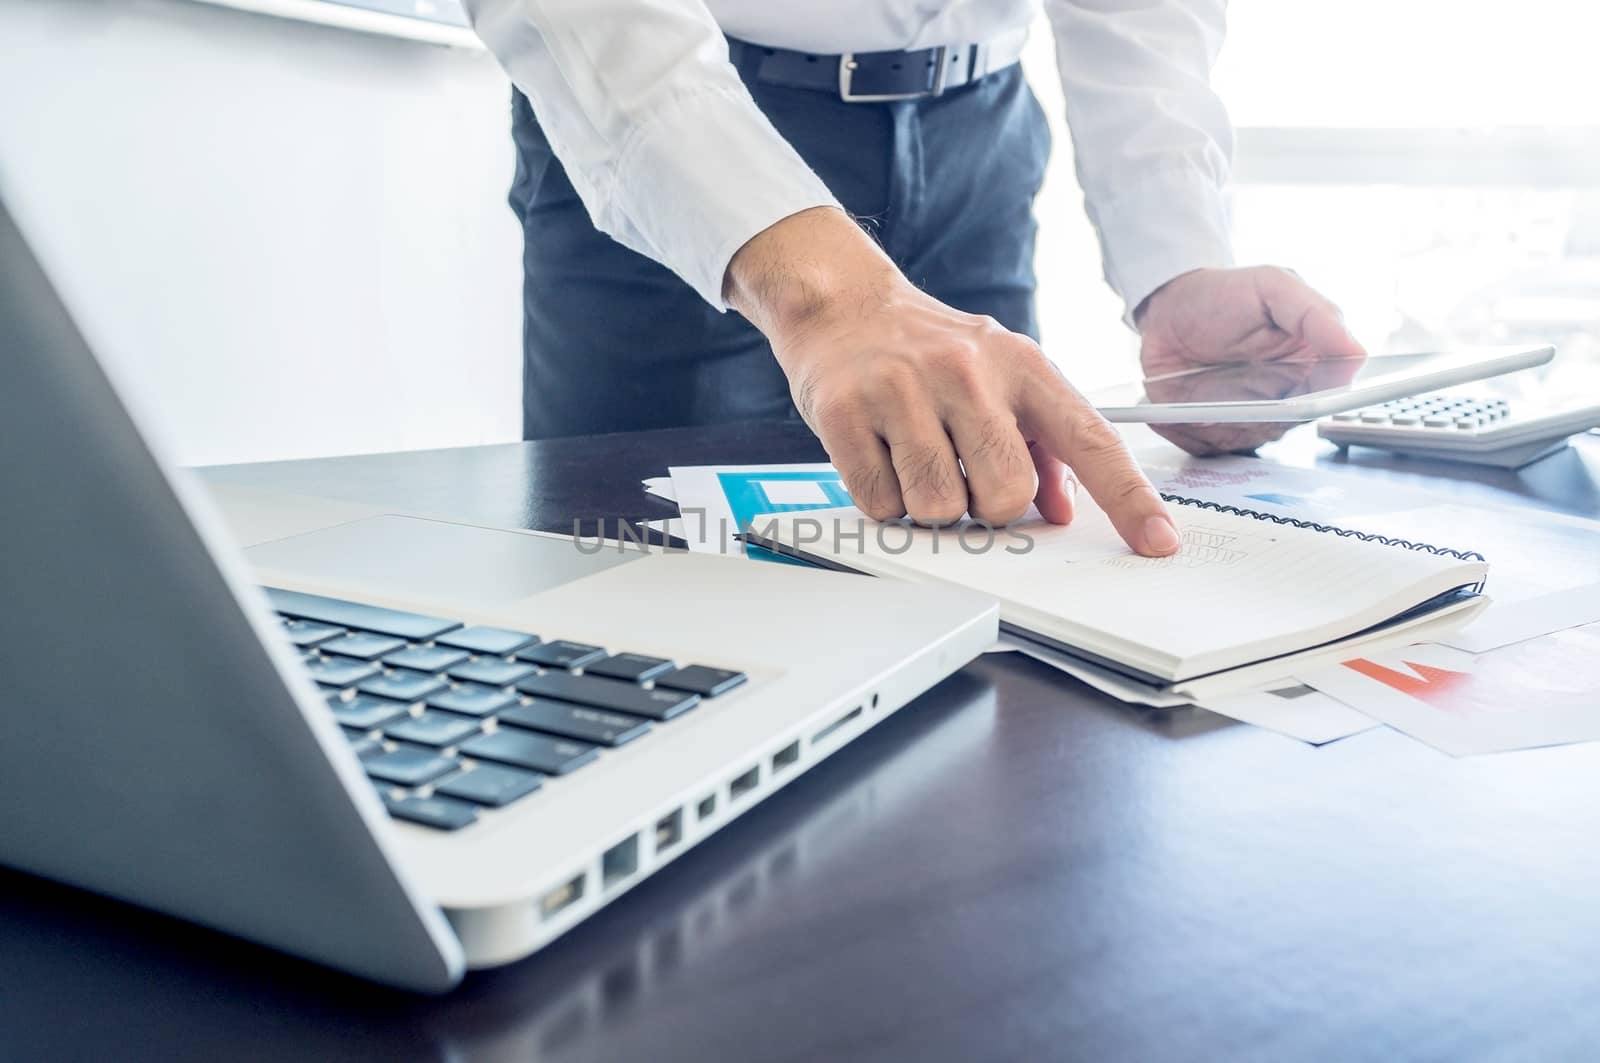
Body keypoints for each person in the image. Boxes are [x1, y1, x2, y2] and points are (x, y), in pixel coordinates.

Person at [461, 0, 1367, 557]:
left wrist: (1175, 262)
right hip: (680, 122)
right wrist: (828, 296)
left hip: (979, 126)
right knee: (645, 595)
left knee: (994, 564)